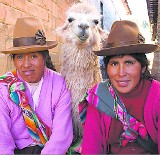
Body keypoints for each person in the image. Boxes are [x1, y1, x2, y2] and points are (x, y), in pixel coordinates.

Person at [79, 20, 160, 154]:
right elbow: (91, 148)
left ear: (143, 67)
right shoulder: (99, 96)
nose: (121, 73)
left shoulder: (157, 95)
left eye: (129, 62)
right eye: (114, 64)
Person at [0, 17, 73, 154]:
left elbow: (61, 135)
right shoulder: (4, 88)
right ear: (14, 60)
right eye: (20, 57)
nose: (26, 64)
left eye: (33, 56)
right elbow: (2, 138)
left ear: (44, 57)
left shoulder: (59, 84)